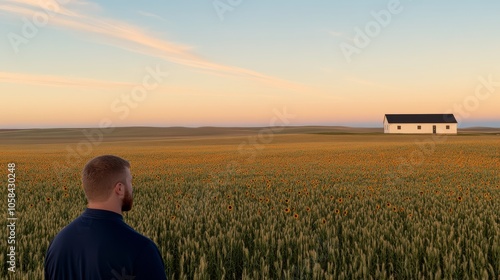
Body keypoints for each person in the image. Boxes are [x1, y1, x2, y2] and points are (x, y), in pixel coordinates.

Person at [44, 155, 167, 279]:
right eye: (130, 181)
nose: (132, 188)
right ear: (119, 188)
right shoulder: (141, 249)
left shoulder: (58, 243)